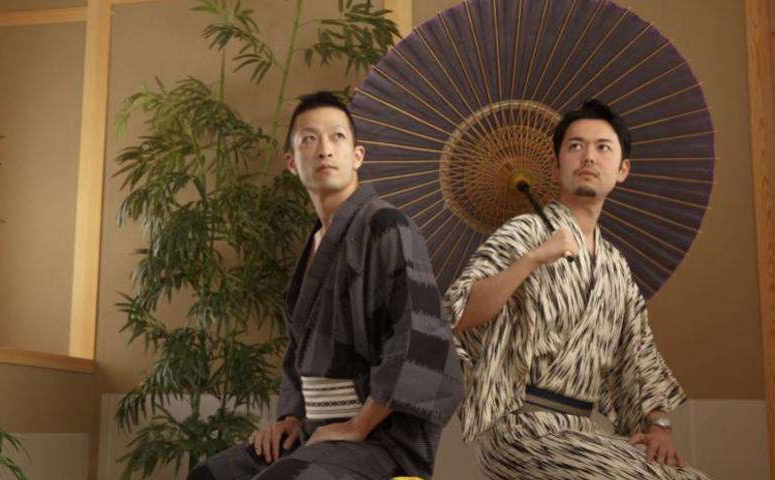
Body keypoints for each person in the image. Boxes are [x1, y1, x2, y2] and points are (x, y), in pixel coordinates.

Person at [188, 91, 463, 480]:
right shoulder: (317, 241)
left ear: (358, 156)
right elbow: (300, 351)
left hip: (379, 437)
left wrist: (358, 426)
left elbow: (420, 340)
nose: (324, 150)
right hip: (314, 431)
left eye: (337, 136)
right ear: (291, 162)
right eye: (309, 139)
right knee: (210, 475)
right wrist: (290, 416)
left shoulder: (388, 226)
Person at [445, 99, 710, 479]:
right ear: (556, 167)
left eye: (603, 147)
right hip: (521, 430)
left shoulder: (615, 266)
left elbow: (639, 354)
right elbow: (463, 313)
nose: (588, 157)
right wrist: (533, 258)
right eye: (575, 146)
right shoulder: (525, 232)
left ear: (622, 169)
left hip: (581, 431)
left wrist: (659, 427)